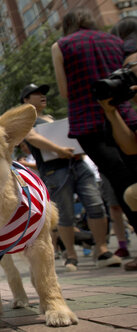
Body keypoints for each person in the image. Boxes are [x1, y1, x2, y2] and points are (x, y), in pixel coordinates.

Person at [52, 7, 137, 266]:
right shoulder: (115, 41)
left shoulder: (61, 46)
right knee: (133, 176)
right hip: (123, 114)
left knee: (121, 183)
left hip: (88, 121)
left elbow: (65, 91)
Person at [20, 83, 122, 271]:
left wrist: (78, 150)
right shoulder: (26, 121)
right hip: (55, 171)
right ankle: (71, 256)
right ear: (26, 100)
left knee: (96, 205)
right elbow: (32, 137)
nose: (42, 96)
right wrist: (59, 150)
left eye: (43, 93)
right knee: (64, 214)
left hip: (78, 164)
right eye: (36, 93)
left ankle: (102, 250)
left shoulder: (51, 119)